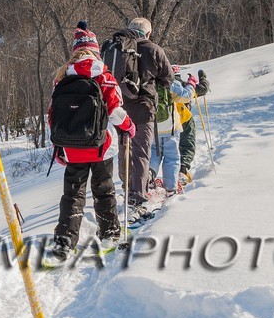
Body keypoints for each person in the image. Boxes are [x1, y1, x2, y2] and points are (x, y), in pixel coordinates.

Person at [45, 22, 134, 260]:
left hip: (73, 147)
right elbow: (115, 109)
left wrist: (60, 147)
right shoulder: (102, 74)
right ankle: (110, 233)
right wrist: (129, 126)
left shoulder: (62, 76)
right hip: (100, 146)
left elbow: (52, 115)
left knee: (72, 195)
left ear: (75, 50)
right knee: (103, 190)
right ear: (95, 49)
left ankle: (64, 242)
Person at [114, 16, 173, 220]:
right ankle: (137, 197)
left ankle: (127, 186)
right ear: (147, 33)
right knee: (140, 151)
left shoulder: (117, 47)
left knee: (124, 148)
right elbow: (167, 79)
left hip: (119, 108)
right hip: (143, 108)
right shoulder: (153, 49)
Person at [153, 65, 195, 195]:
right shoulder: (171, 82)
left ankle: (149, 177)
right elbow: (186, 96)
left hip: (153, 126)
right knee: (172, 157)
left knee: (154, 154)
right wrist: (191, 84)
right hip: (170, 126)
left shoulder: (148, 80)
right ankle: (170, 187)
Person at [174, 67, 199, 186]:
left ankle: (152, 174)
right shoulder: (184, 84)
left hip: (166, 122)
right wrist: (201, 79)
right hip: (185, 119)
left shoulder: (159, 83)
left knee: (166, 150)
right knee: (187, 144)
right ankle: (182, 171)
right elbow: (202, 89)